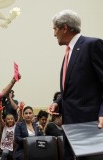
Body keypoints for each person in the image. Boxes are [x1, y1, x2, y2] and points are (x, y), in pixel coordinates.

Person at [47, 10, 103, 160]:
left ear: (65, 28)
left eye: (55, 29)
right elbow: (75, 87)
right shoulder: (69, 52)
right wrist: (58, 102)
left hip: (89, 125)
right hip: (69, 125)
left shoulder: (92, 45)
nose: (54, 34)